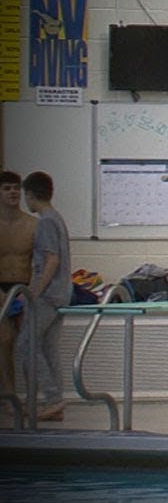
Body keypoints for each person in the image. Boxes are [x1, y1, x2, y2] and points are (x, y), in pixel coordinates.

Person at [16, 171, 71, 421]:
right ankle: (54, 401)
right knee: (48, 349)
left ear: (30, 194)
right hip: (60, 293)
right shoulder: (56, 218)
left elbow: (51, 260)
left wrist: (34, 291)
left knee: (26, 344)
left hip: (48, 294)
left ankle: (52, 398)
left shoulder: (46, 221)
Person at [0, 170, 37, 401]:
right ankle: (9, 393)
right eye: (6, 188)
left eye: (16, 188)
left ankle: (31, 398)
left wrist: (31, 291)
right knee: (4, 342)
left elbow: (40, 261)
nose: (13, 192)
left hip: (25, 288)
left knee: (27, 344)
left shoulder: (32, 224)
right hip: (1, 289)